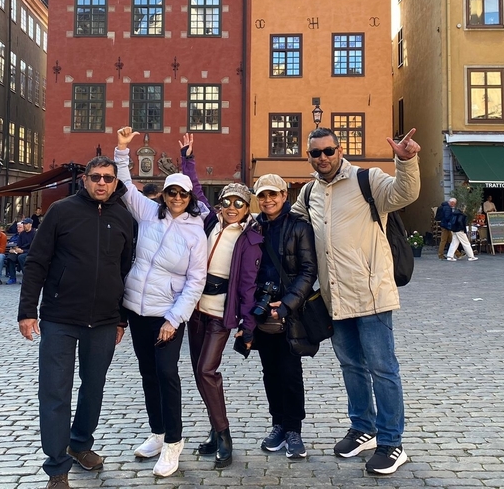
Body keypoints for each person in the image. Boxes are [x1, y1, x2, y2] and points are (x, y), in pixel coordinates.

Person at [291, 127, 420, 475]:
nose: (322, 157)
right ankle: (364, 428)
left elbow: (404, 193)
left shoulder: (368, 179)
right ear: (309, 157)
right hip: (334, 297)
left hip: (371, 293)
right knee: (351, 366)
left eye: (328, 151)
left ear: (340, 150)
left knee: (383, 368)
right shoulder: (308, 192)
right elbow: (291, 227)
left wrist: (406, 161)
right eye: (315, 153)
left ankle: (392, 443)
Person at [18, 155, 136, 488]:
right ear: (85, 179)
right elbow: (37, 262)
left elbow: (124, 270)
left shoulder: (124, 218)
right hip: (60, 317)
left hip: (104, 320)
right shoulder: (61, 211)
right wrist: (27, 311)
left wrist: (121, 318)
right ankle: (57, 467)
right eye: (95, 177)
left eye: (108, 178)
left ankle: (80, 443)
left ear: (115, 183)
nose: (102, 183)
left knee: (94, 388)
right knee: (55, 391)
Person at [114, 127, 207, 477]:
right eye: (171, 192)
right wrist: (122, 150)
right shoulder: (149, 213)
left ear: (189, 196)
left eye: (182, 193)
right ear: (164, 194)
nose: (176, 198)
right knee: (148, 373)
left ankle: (173, 443)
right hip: (138, 310)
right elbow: (125, 185)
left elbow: (195, 281)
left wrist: (174, 319)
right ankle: (157, 432)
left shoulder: (195, 232)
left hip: (166, 314)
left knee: (167, 374)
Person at [179, 133, 262, 469]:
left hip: (219, 314)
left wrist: (248, 325)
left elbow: (248, 286)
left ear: (247, 208)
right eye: (227, 201)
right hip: (196, 310)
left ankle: (224, 434)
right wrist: (188, 160)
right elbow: (196, 191)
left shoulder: (250, 238)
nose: (231, 207)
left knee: (207, 370)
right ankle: (215, 431)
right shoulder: (211, 221)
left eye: (238, 203)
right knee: (200, 373)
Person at [252, 173, 317, 461]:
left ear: (283, 195)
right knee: (270, 372)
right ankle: (278, 424)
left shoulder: (300, 227)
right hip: (262, 310)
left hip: (291, 311)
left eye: (273, 194)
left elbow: (308, 271)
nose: (268, 200)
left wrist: (288, 303)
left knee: (290, 372)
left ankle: (293, 430)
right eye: (262, 195)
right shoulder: (254, 228)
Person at [6, 219, 36, 284]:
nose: (24, 225)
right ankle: (12, 278)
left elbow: (35, 247)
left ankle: (26, 278)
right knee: (11, 257)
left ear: (30, 224)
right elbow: (19, 244)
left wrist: (23, 251)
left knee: (21, 257)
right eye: (24, 224)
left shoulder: (35, 234)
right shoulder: (22, 234)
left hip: (31, 252)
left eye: (26, 224)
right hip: (21, 251)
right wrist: (14, 249)